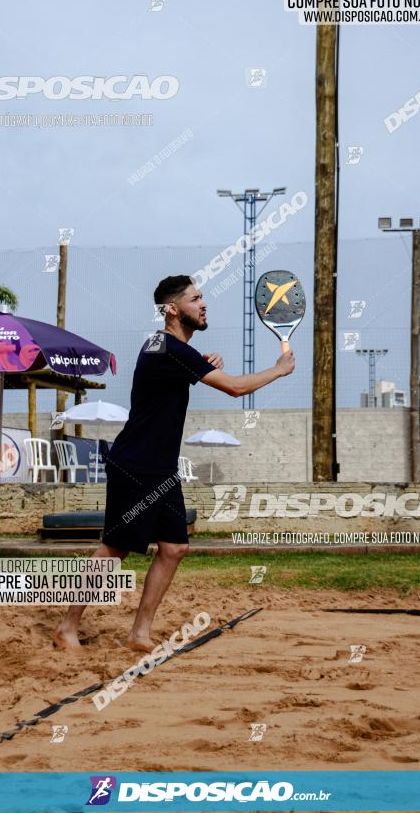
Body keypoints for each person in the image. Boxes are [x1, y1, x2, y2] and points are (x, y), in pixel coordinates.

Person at [53, 275, 295, 652]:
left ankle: (139, 634)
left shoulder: (160, 344)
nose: (203, 304)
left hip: (160, 468)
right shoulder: (169, 350)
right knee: (115, 548)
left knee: (175, 547)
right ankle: (67, 628)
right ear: (171, 308)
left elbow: (182, 363)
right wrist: (278, 369)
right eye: (195, 299)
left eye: (202, 298)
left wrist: (200, 360)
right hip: (136, 464)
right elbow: (235, 387)